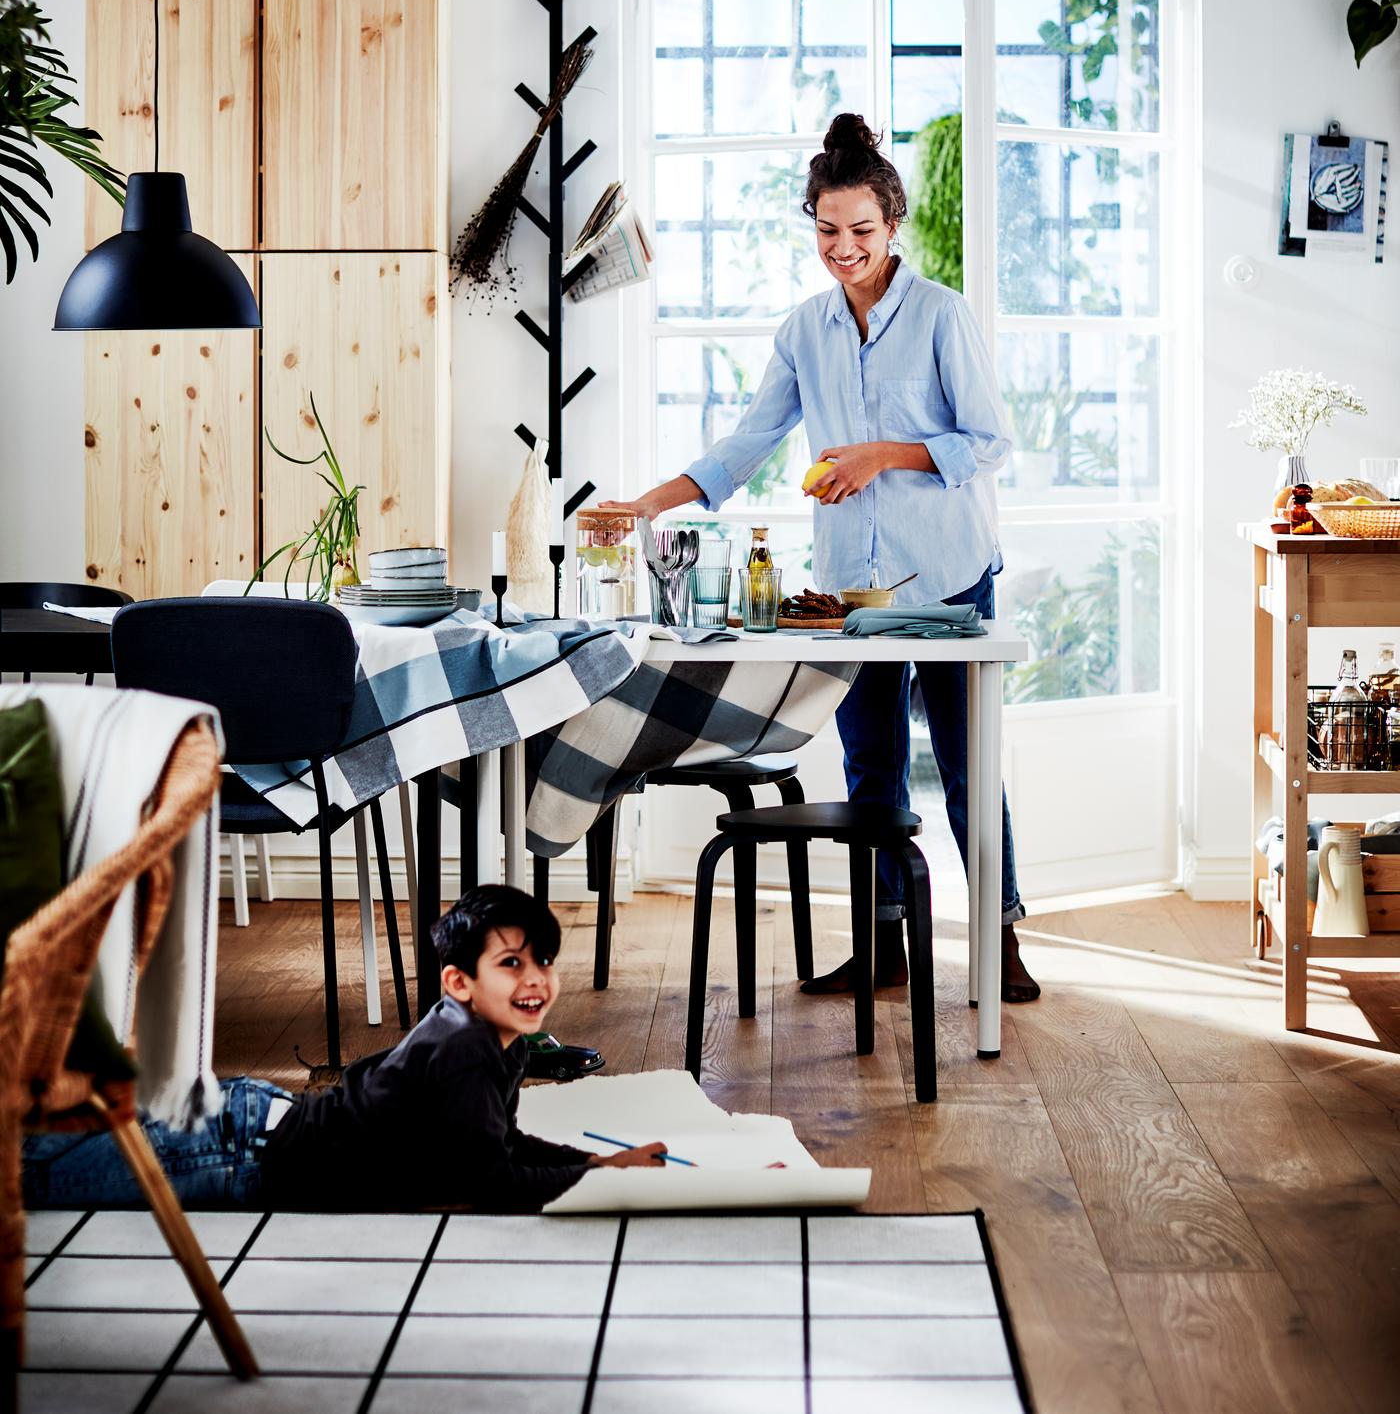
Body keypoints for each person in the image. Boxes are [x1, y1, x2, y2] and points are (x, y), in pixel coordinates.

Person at [604, 112, 1039, 1003]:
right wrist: (649, 503)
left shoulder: (942, 315)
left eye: (862, 232)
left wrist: (884, 453)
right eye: (828, 230)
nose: (844, 248)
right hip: (855, 586)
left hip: (952, 573)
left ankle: (1000, 942)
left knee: (963, 764)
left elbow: (991, 441)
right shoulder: (803, 330)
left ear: (894, 225)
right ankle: (883, 944)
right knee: (869, 767)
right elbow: (748, 442)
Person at [22, 885, 667, 1214]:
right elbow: (488, 1182)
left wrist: (596, 1160)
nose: (535, 980)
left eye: (543, 961)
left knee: (61, 1135)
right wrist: (596, 1178)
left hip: (257, 1121)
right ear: (459, 982)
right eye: (511, 963)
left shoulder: (503, 1040)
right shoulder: (467, 1049)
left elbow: (497, 1146)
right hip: (238, 1152)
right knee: (33, 1173)